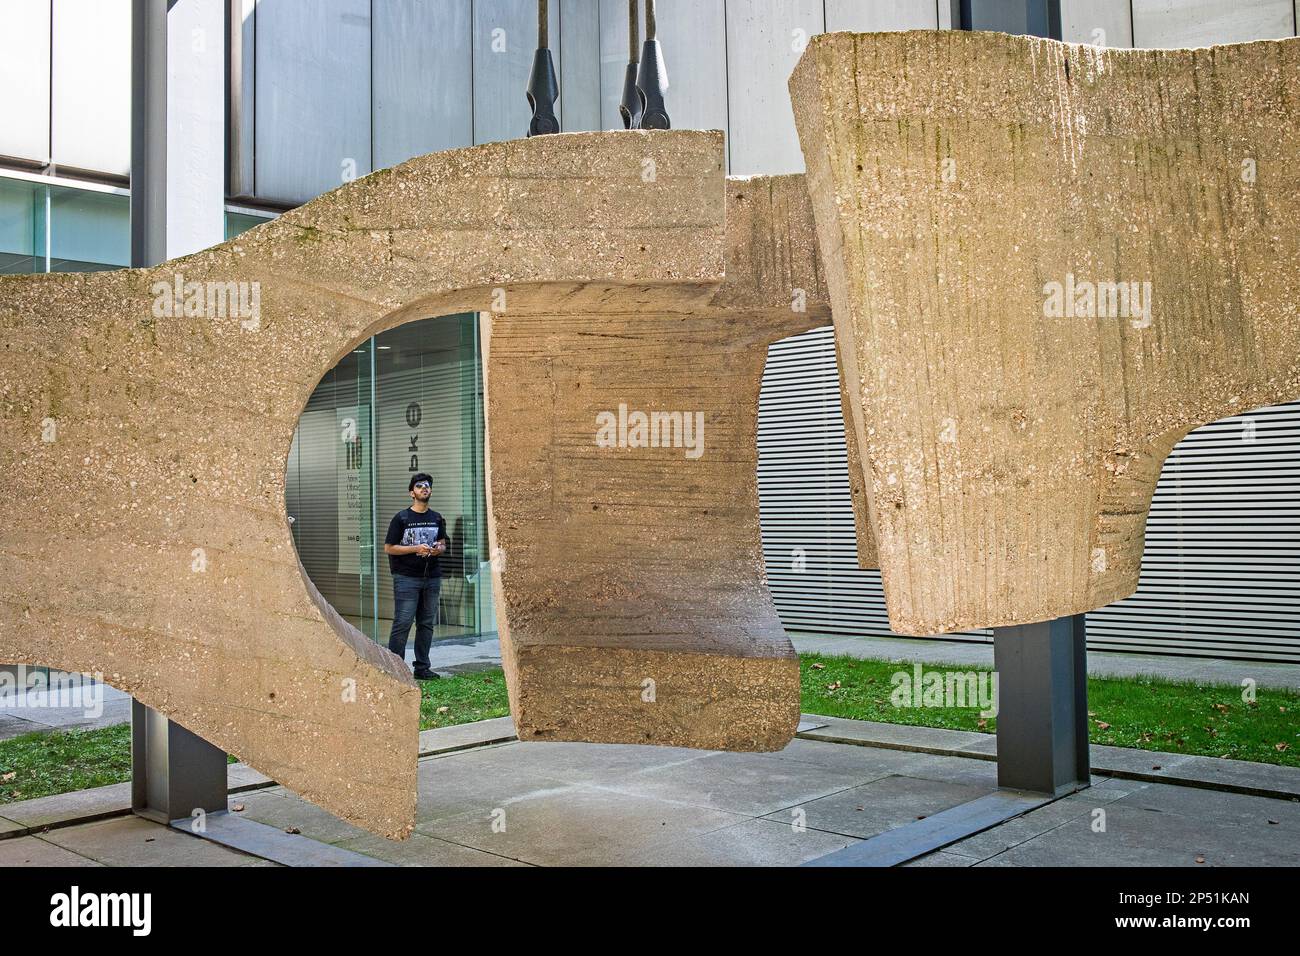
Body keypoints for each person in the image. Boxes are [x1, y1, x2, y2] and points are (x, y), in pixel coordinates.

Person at [383, 473, 450, 680]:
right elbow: (389, 548)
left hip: (432, 576)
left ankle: (422, 667)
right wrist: (415, 548)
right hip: (406, 577)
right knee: (403, 622)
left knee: (426, 623)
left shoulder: (436, 517)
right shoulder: (402, 518)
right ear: (412, 493)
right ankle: (395, 668)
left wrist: (439, 548)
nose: (424, 488)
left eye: (427, 486)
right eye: (420, 486)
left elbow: (443, 542)